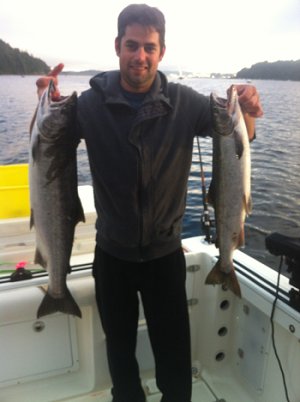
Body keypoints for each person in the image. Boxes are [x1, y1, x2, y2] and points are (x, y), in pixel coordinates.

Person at [35, 4, 263, 402]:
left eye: (149, 47)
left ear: (161, 51)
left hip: (164, 257)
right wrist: (43, 102)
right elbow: (46, 149)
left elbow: (236, 141)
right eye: (132, 45)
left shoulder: (185, 102)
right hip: (112, 257)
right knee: (120, 353)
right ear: (118, 46)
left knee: (174, 357)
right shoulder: (88, 105)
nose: (140, 56)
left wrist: (250, 110)